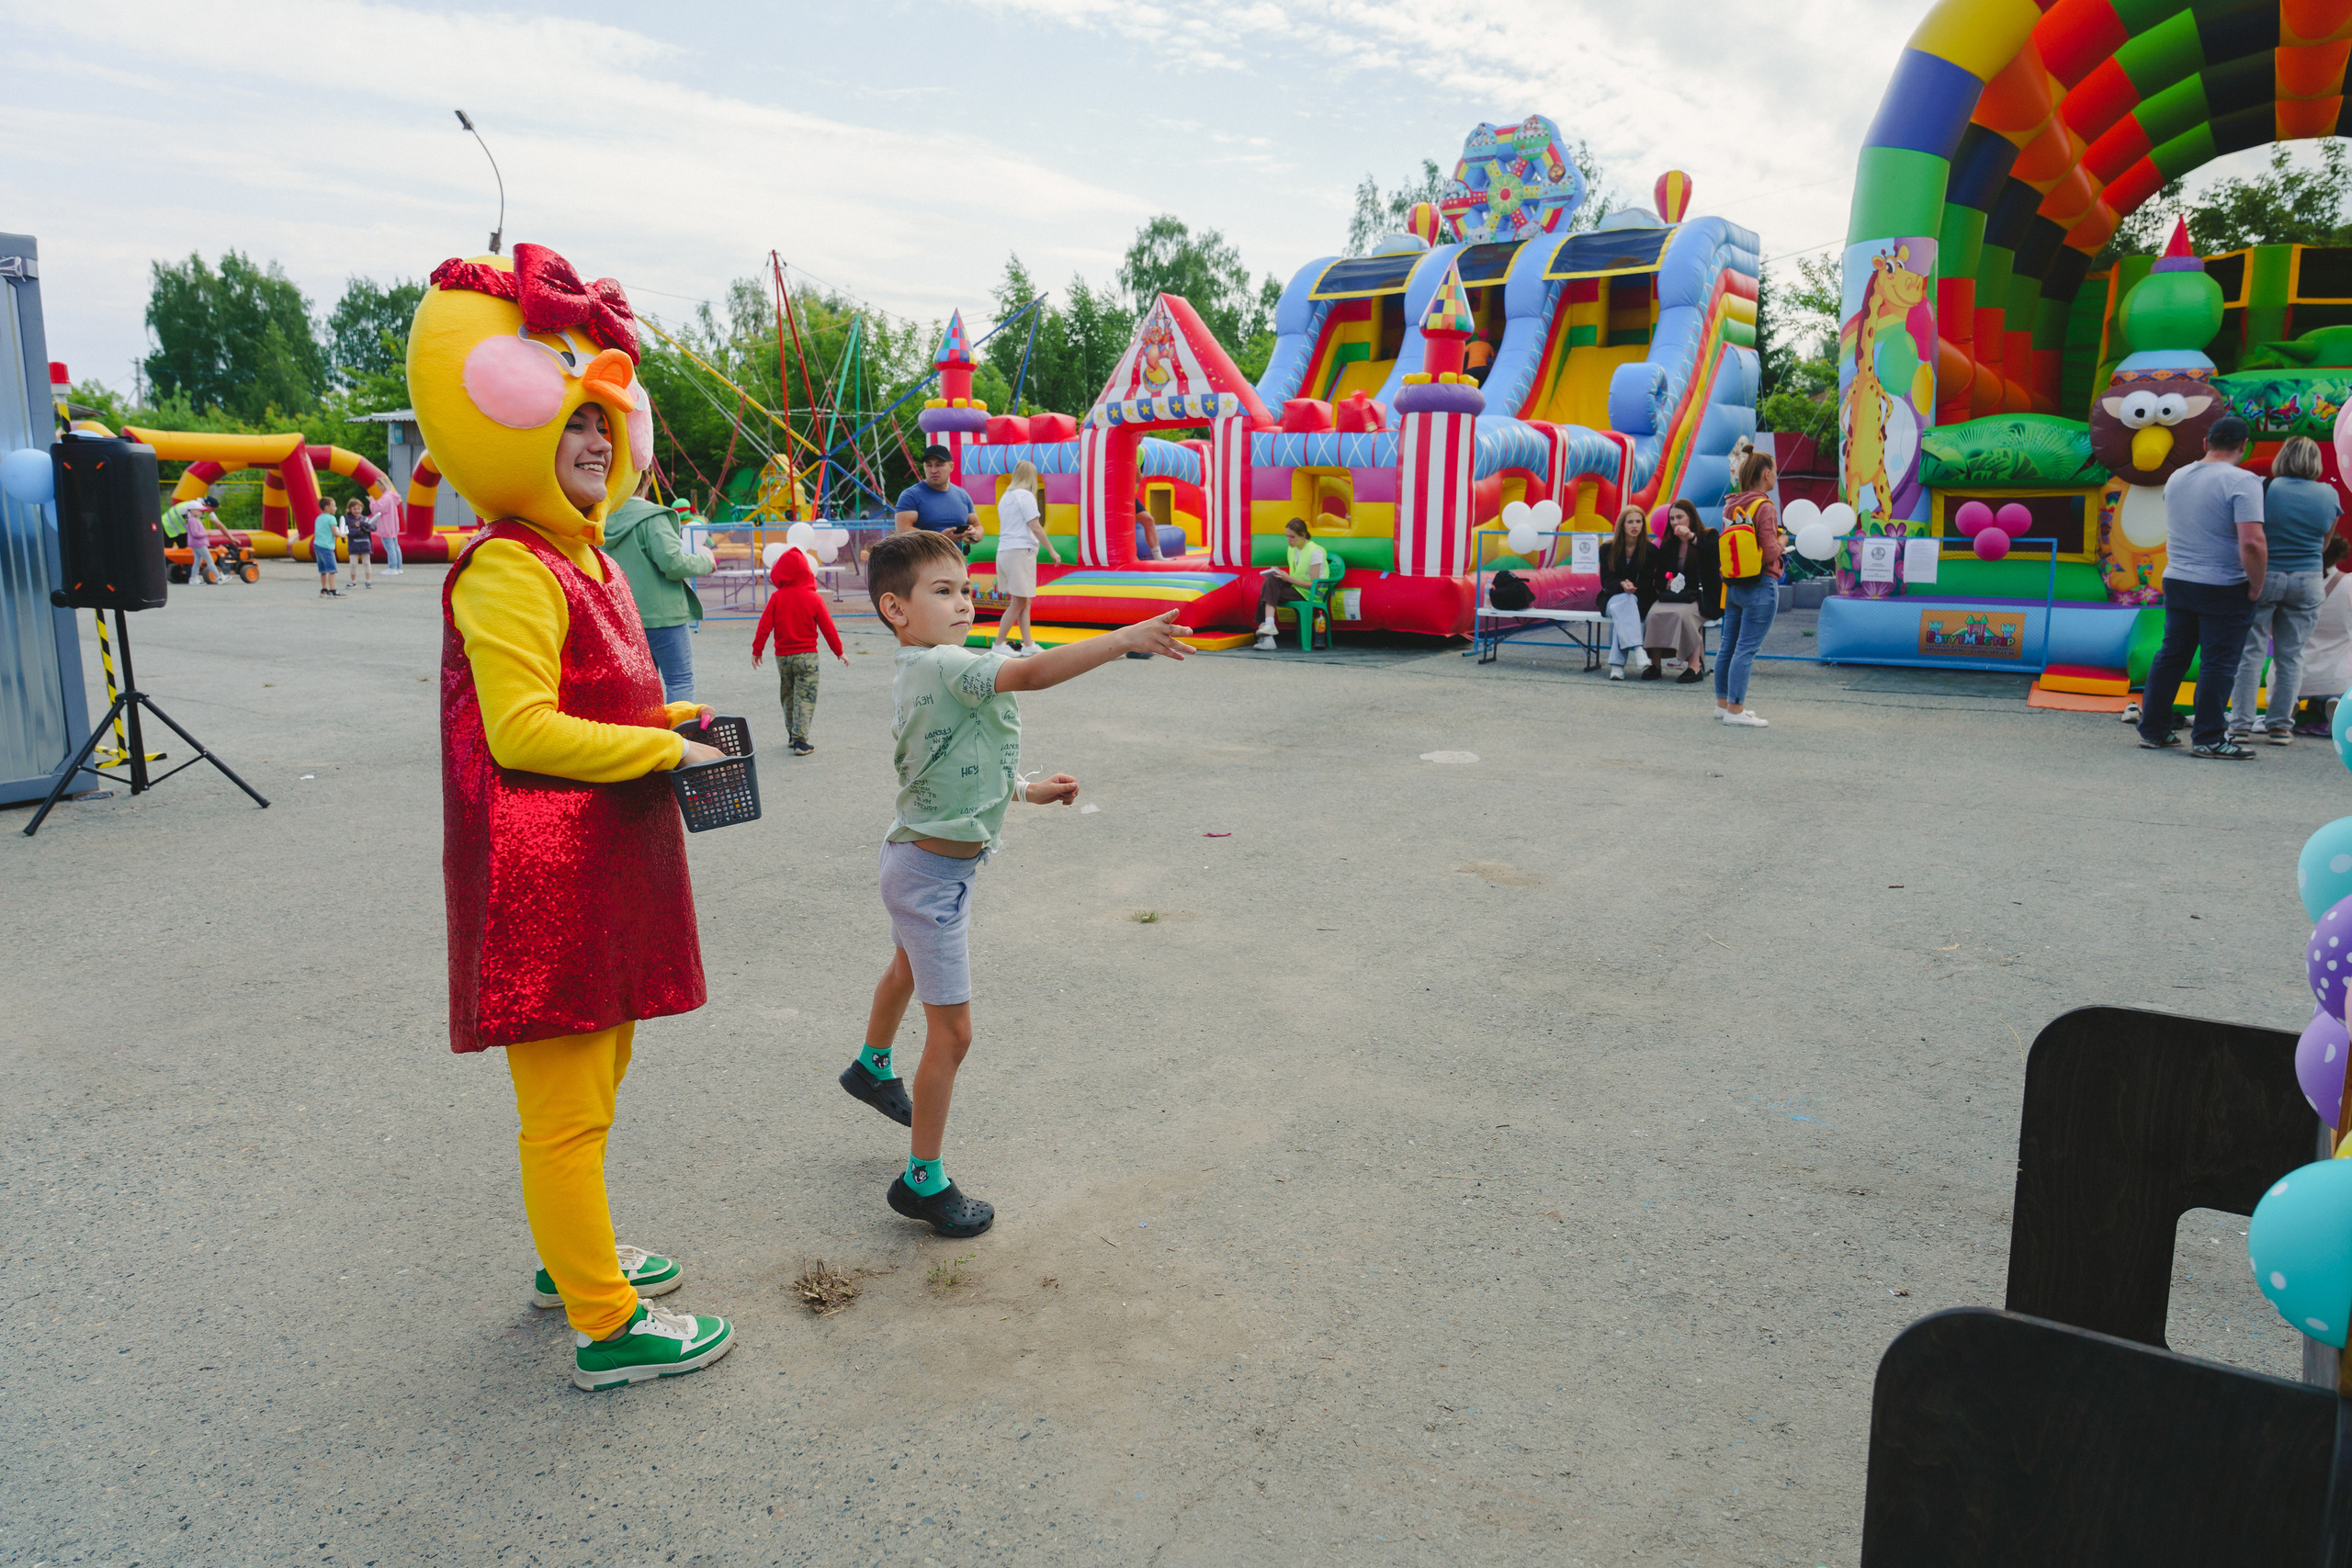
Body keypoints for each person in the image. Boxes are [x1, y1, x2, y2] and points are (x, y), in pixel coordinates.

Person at [417, 242, 733, 1392]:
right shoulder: (510, 565)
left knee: (595, 1090)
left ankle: (574, 1260)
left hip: (602, 862)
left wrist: (675, 709)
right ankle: (605, 1325)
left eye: (601, 423)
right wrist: (660, 744)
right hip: (546, 877)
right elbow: (522, 733)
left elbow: (598, 692)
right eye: (569, 427)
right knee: (562, 1115)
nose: (593, 444)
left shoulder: (581, 554)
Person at [834, 530, 1190, 1237]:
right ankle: (922, 1182)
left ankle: (872, 1066)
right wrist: (1122, 638)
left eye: (967, 589)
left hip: (916, 861)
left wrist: (1025, 789)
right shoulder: (943, 663)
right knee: (955, 1033)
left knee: (905, 966)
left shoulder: (930, 669)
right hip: (930, 881)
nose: (965, 602)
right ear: (895, 609)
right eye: (944, 591)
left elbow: (949, 767)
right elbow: (1029, 675)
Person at [2140, 415, 2266, 759]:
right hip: (2223, 583)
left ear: (2205, 443)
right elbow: (2252, 541)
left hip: (2178, 578)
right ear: (2243, 446)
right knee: (2218, 662)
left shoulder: (2177, 477)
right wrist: (2256, 585)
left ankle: (2154, 729)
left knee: (2171, 656)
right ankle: (2209, 737)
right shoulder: (2244, 481)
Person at [2229, 434, 2339, 745]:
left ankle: (2240, 724)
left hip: (2268, 576)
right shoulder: (2329, 494)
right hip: (2307, 579)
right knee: (2291, 655)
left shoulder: (2265, 488)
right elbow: (2324, 544)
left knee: (2251, 652)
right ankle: (2280, 726)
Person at [604, 471, 718, 703]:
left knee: (643, 685)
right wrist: (707, 562)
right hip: (664, 615)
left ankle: (648, 736)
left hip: (624, 617)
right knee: (680, 681)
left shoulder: (604, 518)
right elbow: (672, 563)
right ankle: (680, 736)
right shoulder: (653, 517)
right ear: (647, 480)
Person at [752, 545, 846, 754]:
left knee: (788, 695)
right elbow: (827, 628)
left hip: (783, 658)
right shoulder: (814, 598)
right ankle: (800, 740)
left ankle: (791, 733)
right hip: (808, 657)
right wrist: (839, 651)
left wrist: (757, 650)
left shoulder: (777, 598)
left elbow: (764, 626)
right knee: (805, 696)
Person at [1714, 450, 1783, 725]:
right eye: (1774, 471)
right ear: (1766, 474)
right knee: (1746, 649)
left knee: (1728, 646)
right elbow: (1769, 553)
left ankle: (1723, 705)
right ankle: (1736, 711)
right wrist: (1783, 540)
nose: (1775, 476)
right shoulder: (1764, 507)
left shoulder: (1731, 505)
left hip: (1734, 584)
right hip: (1761, 583)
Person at [989, 459, 1060, 655]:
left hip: (1005, 551)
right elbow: (1035, 526)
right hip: (1020, 552)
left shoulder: (1006, 496)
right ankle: (998, 644)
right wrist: (1052, 550)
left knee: (1023, 600)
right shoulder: (1025, 496)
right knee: (1019, 602)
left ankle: (1028, 645)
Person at [1644, 498, 1717, 682]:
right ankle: (1655, 664)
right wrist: (1666, 584)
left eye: (1679, 517)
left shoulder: (1708, 535)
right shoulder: (1669, 544)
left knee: (1684, 615)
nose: (1675, 522)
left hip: (1700, 596)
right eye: (1672, 518)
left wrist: (1692, 538)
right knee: (1654, 614)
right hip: (1675, 596)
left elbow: (1713, 554)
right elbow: (1659, 576)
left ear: (1690, 517)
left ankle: (1694, 666)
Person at [2295, 533, 2352, 735]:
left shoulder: (2296, 584)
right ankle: (2332, 701)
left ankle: (2288, 704)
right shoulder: (2349, 584)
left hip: (2296, 672)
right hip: (2337, 675)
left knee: (2287, 681)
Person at [1253, 517, 1329, 649]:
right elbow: (1296, 574)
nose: (1289, 540)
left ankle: (1268, 635)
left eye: (1292, 537)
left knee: (1268, 588)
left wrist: (1288, 579)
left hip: (1311, 593)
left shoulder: (1315, 551)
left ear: (1303, 535)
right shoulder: (1292, 549)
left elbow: (1315, 584)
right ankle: (1269, 627)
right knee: (1271, 581)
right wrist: (1281, 575)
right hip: (1297, 588)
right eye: (1287, 536)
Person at [1598, 505, 1653, 681]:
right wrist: (1622, 584)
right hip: (1611, 598)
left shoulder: (1650, 551)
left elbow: (1647, 582)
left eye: (1639, 521)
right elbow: (1605, 581)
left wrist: (1632, 587)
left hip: (1639, 600)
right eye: (1630, 522)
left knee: (1625, 608)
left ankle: (1617, 665)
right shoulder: (1607, 549)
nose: (1635, 525)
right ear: (1622, 525)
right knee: (1623, 602)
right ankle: (1638, 648)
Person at [894, 446, 983, 548]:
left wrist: (974, 534)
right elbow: (902, 531)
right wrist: (940, 538)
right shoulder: (910, 495)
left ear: (951, 466)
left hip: (955, 562)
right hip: (922, 562)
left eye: (939, 465)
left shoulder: (962, 495)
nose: (933, 470)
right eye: (928, 465)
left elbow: (978, 526)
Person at [184, 496, 224, 585]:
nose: (201, 512)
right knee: (209, 560)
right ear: (192, 510)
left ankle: (193, 579)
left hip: (196, 543)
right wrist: (206, 533)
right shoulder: (193, 521)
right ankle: (219, 578)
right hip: (199, 544)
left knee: (197, 561)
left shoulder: (193, 520)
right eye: (199, 510)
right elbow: (196, 534)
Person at [343, 497, 374, 590]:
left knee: (366, 562)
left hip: (365, 543)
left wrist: (366, 526)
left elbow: (373, 527)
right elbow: (347, 531)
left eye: (359, 508)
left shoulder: (365, 519)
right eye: (354, 509)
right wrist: (358, 531)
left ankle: (368, 581)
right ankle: (353, 581)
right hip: (353, 544)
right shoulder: (347, 519)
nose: (357, 511)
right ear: (350, 509)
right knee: (353, 563)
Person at [312, 502, 343, 597]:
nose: (336, 508)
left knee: (323, 570)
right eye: (334, 506)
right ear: (327, 507)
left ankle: (324, 589)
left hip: (317, 545)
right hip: (327, 546)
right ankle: (333, 590)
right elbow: (335, 533)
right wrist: (343, 535)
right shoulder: (331, 518)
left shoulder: (318, 518)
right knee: (332, 570)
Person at [372, 488, 404, 574]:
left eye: (379, 485)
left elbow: (377, 509)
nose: (378, 488)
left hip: (386, 526)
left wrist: (372, 502)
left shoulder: (386, 497)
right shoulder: (392, 497)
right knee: (395, 547)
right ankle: (398, 567)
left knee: (390, 548)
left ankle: (392, 567)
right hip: (393, 526)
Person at [1133, 497, 1164, 561]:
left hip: (1127, 494)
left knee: (1148, 520)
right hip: (1111, 494)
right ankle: (1131, 556)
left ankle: (1158, 557)